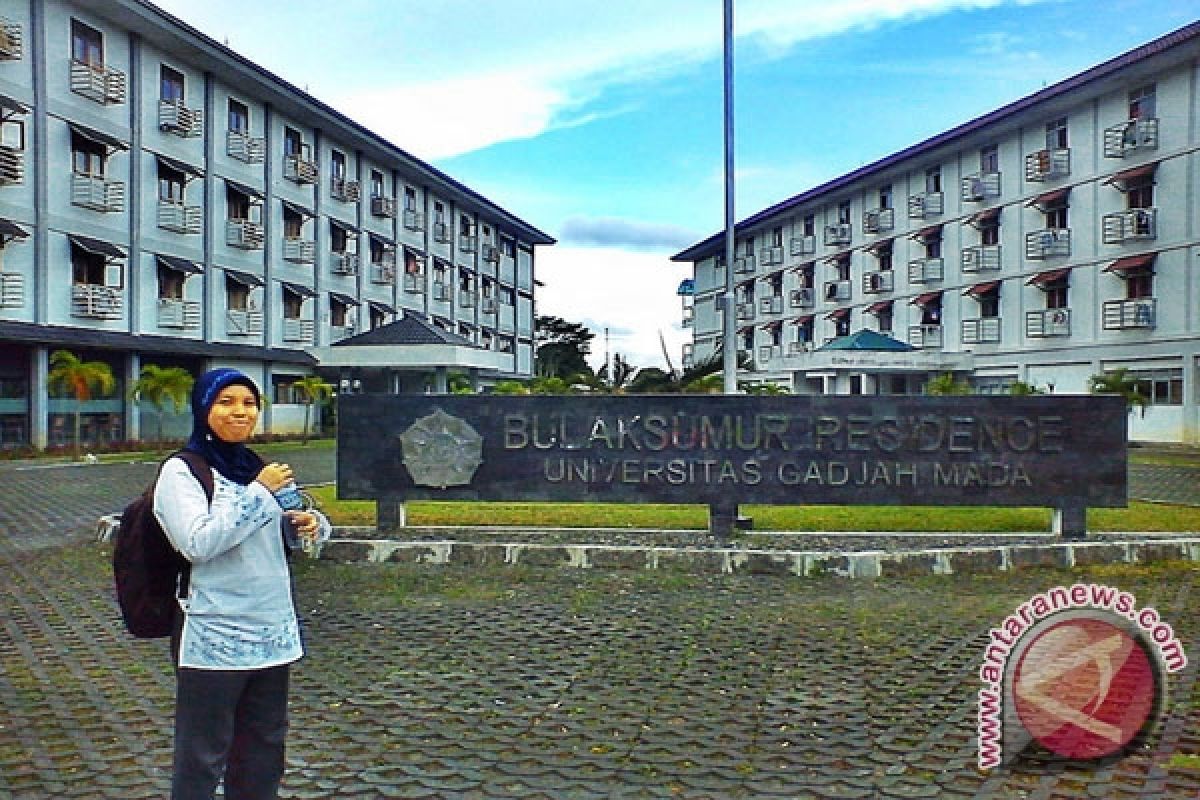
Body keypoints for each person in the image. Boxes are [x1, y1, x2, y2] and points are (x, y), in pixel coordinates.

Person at [153, 368, 330, 800]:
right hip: (214, 633)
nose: (240, 412)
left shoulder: (257, 468)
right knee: (203, 754)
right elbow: (198, 543)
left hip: (271, 630)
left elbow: (280, 528)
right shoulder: (182, 472)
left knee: (264, 749)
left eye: (249, 403)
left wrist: (308, 524)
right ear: (203, 408)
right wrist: (259, 494)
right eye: (226, 402)